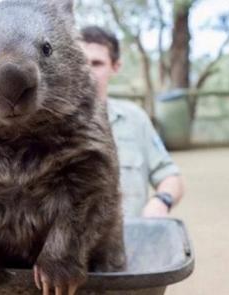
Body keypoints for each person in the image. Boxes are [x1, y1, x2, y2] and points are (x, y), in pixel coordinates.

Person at [79, 25, 184, 218]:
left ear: (115, 66)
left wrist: (161, 201)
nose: (87, 72)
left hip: (133, 241)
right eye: (81, 62)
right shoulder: (50, 125)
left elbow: (171, 177)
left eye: (97, 63)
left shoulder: (135, 119)